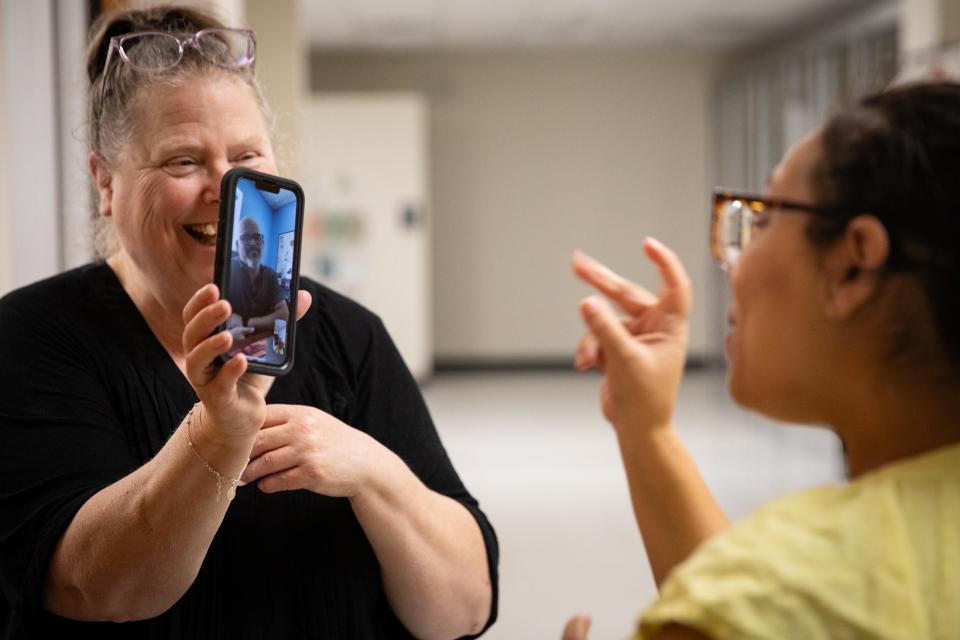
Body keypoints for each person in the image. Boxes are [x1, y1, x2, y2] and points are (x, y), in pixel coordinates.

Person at [0, 6, 497, 639]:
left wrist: (373, 470)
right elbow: (97, 588)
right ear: (105, 181)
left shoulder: (349, 335)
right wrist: (217, 435)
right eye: (183, 161)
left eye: (247, 155)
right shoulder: (34, 336)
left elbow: (464, 609)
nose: (225, 186)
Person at [564, 81, 960, 639]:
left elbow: (766, 604)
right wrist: (644, 428)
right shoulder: (783, 589)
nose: (734, 266)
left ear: (853, 264)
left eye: (765, 219)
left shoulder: (780, 590)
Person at [225, 217, 287, 354]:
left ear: (263, 244)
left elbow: (284, 314)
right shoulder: (227, 269)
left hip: (263, 345)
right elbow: (219, 312)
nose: (253, 243)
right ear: (237, 245)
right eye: (246, 238)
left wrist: (249, 322)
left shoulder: (270, 275)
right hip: (233, 348)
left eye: (257, 238)